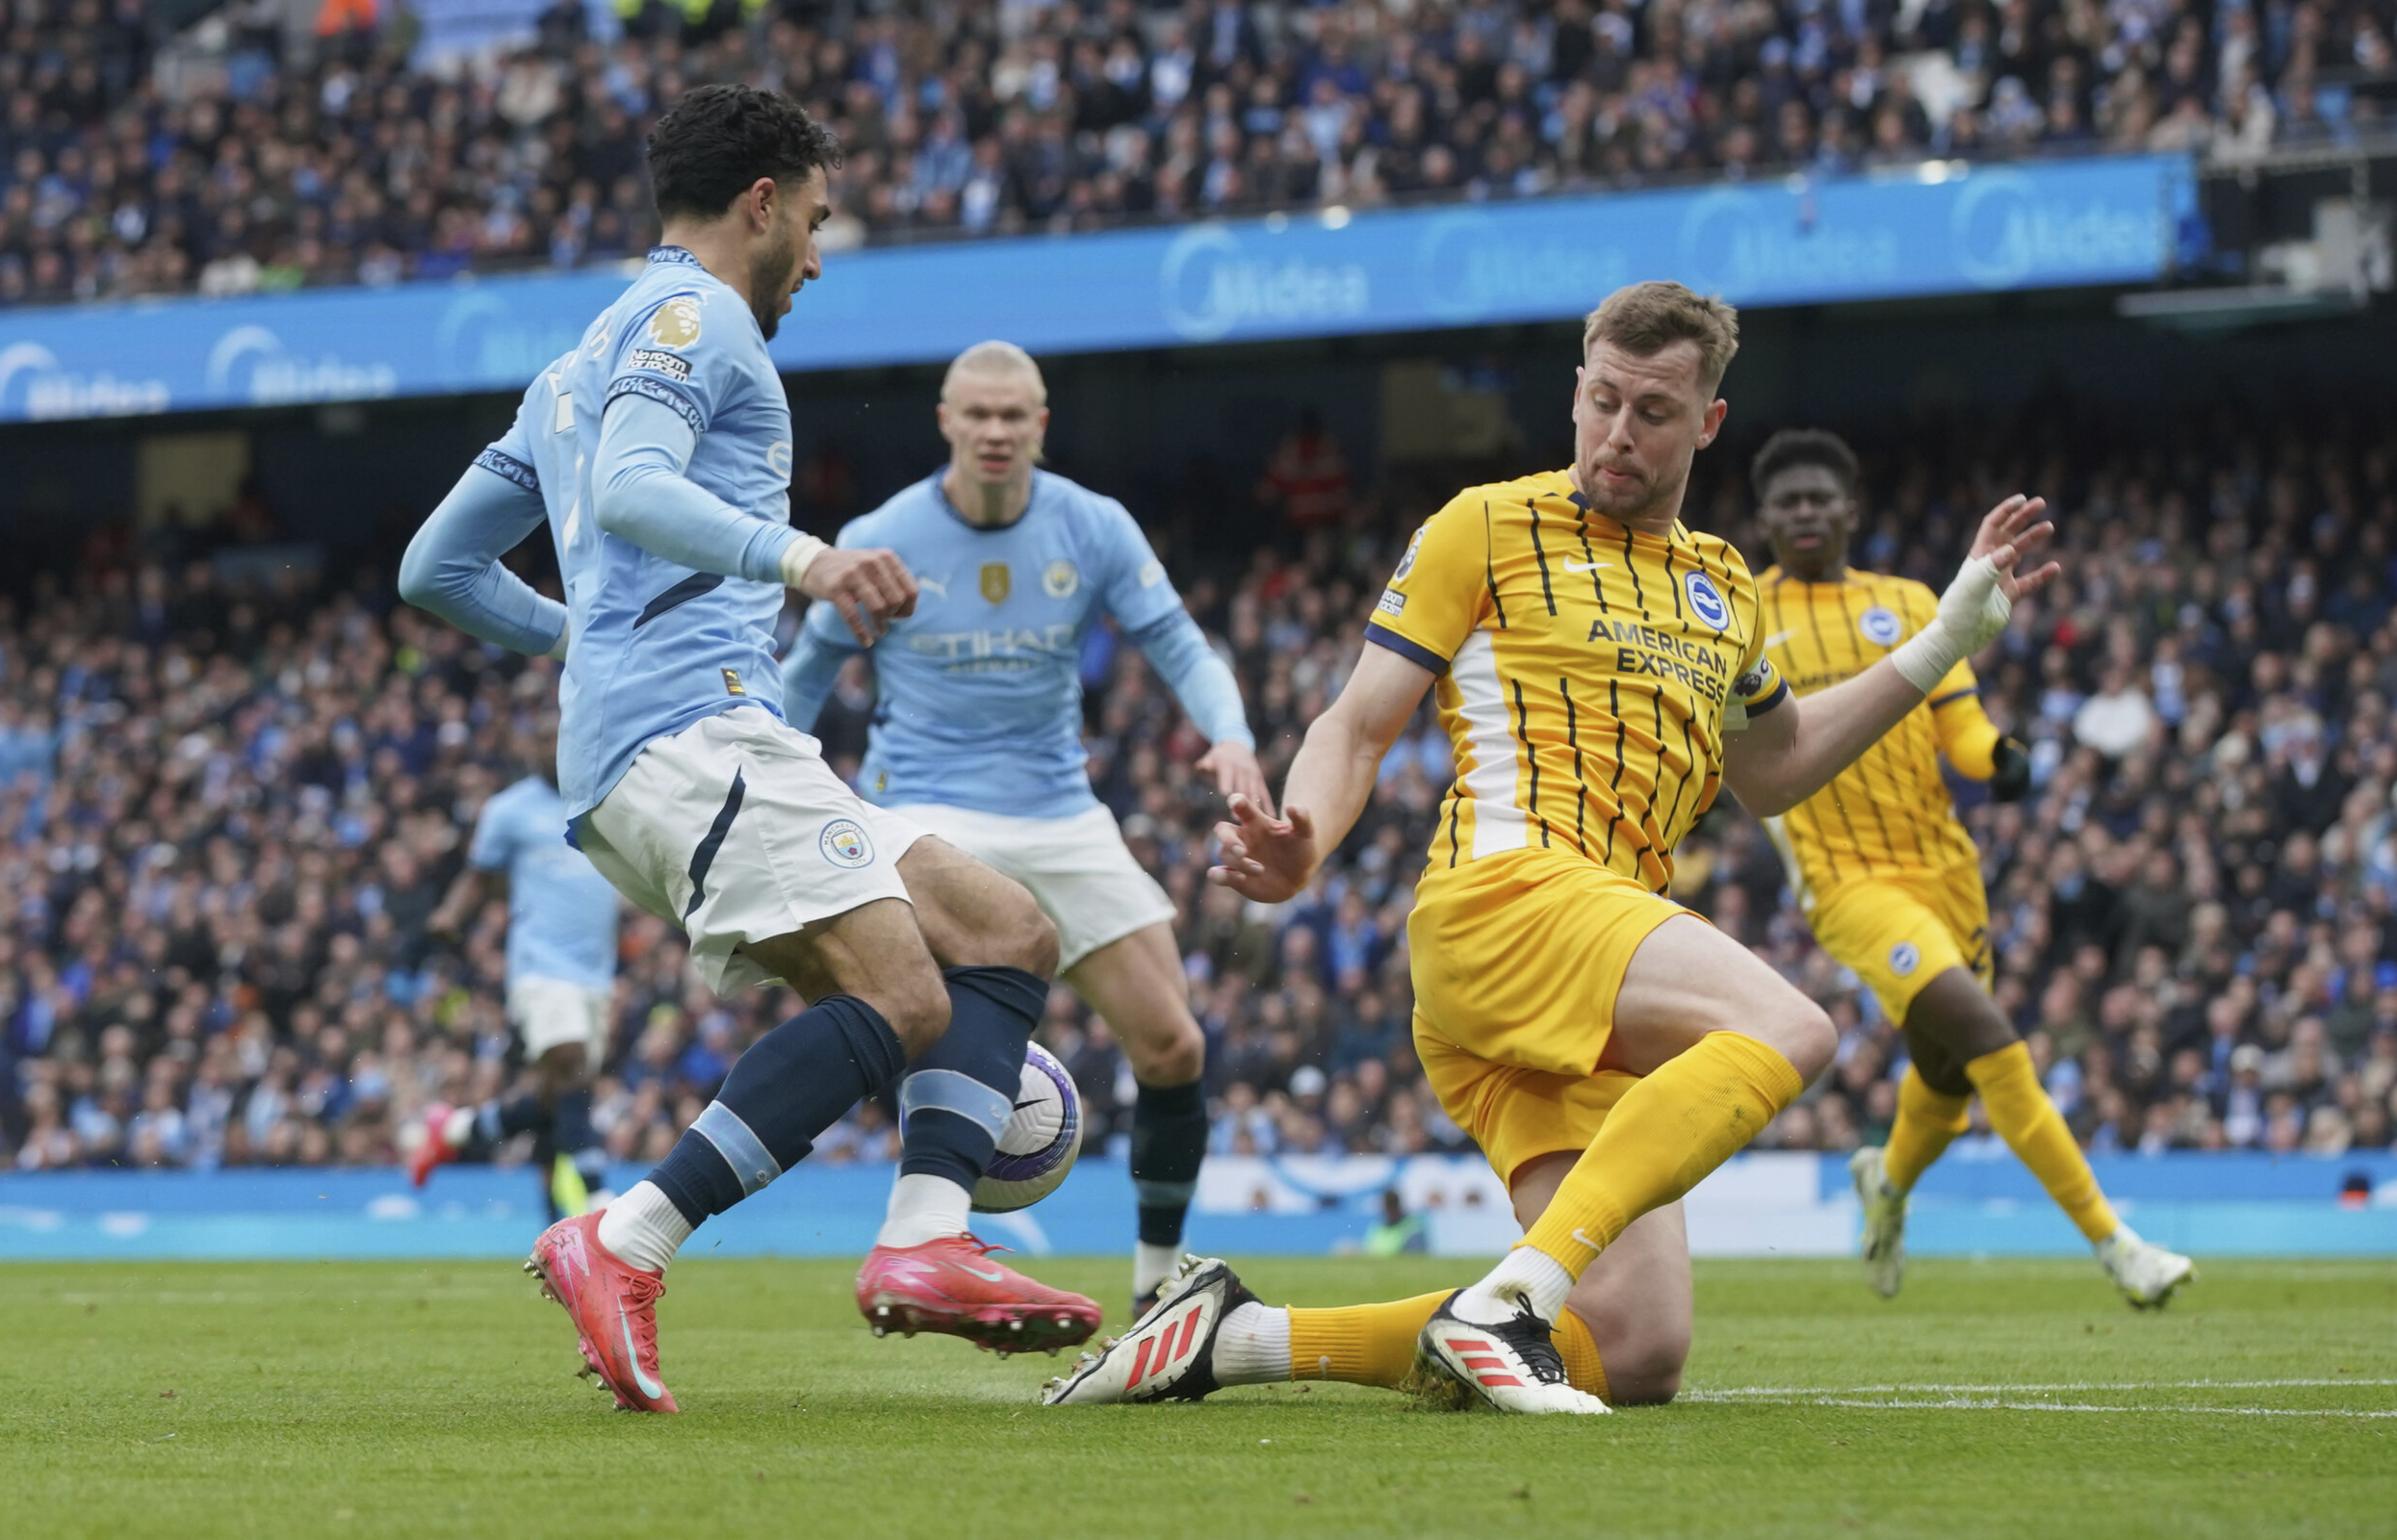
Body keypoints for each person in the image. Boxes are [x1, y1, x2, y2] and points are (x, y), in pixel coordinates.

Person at [1047, 280, 2060, 1416]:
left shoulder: (1723, 585)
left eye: (1654, 412)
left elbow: (1774, 763)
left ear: (1708, 424)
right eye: (1602, 401)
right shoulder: (1484, 524)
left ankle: (1233, 1336)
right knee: (1787, 1025)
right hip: (1506, 897)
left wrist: (1938, 646)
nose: (1619, 434)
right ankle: (1510, 1295)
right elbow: (1356, 722)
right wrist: (1306, 843)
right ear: (1575, 392)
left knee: (1634, 1352)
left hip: (1585, 964)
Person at [397, 86, 1100, 1415]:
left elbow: (436, 567)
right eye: (818, 222)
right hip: (692, 730)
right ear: (762, 203)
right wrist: (808, 557)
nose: (821, 259)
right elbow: (628, 491)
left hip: (694, 730)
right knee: (906, 997)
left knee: (1004, 931)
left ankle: (924, 1237)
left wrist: (581, 643)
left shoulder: (568, 368)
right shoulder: (695, 314)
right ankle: (626, 1235)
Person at [779, 341, 1269, 1314]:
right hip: (923, 810)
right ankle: (925, 1232)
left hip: (1059, 812)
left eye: (1015, 417)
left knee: (1173, 1047)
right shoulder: (883, 535)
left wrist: (1233, 736)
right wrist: (770, 777)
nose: (996, 432)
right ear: (946, 423)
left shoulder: (1091, 527)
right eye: (978, 415)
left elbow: (1176, 641)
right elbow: (799, 679)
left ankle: (1155, 1289)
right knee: (923, 1010)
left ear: (1040, 425)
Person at [1748, 427, 2195, 1307]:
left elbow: (1958, 721)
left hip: (1946, 871)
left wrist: (2001, 757)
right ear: (1764, 516)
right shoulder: (1743, 612)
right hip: (1848, 883)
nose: (1804, 512)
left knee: (1946, 1086)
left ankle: (1886, 1180)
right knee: (1989, 1038)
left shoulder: (1910, 598)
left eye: (1819, 498)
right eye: (1787, 501)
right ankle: (2119, 1246)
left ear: (1850, 511)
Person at [404, 707, 621, 1221]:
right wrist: (450, 916)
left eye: (558, 737)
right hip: (539, 966)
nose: (549, 748)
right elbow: (479, 876)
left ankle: (457, 1132)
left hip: (595, 972)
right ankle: (596, 1197)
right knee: (568, 1064)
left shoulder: (607, 798)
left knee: (555, 1096)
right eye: (540, 739)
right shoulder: (510, 810)